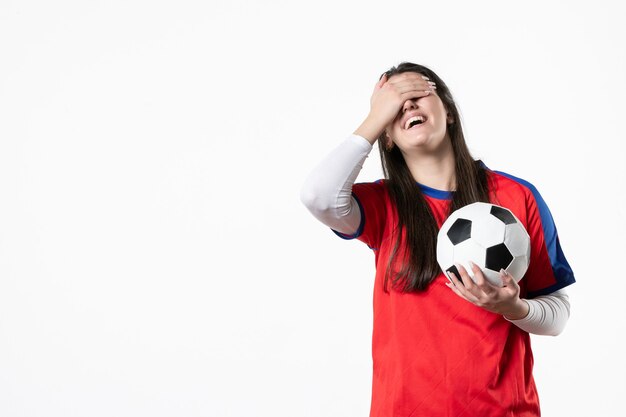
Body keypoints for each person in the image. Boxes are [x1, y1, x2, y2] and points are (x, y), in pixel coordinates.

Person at [300, 62, 575, 417]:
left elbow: (557, 314)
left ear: (448, 111)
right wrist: (373, 119)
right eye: (394, 106)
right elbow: (318, 196)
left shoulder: (516, 197)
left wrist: (512, 308)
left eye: (416, 95)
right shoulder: (382, 205)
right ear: (386, 135)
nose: (407, 106)